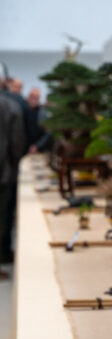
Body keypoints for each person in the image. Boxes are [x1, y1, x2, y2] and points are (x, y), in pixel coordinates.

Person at [0, 62, 26, 270]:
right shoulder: (11, 107)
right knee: (3, 217)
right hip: (4, 172)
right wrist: (15, 165)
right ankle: (2, 257)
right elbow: (18, 144)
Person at [26, 88, 51, 153]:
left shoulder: (43, 112)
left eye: (36, 97)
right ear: (28, 97)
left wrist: (37, 146)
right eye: (32, 96)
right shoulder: (23, 109)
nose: (34, 99)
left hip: (38, 149)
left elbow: (48, 132)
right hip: (23, 146)